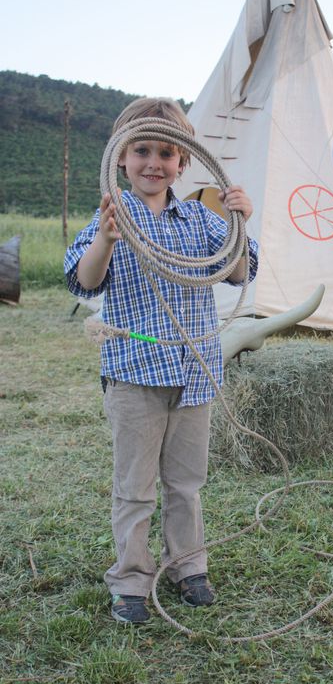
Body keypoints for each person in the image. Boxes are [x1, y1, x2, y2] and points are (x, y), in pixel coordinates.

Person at [64, 97, 258, 624]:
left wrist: (240, 220)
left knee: (187, 481)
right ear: (121, 157)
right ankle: (130, 578)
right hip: (134, 375)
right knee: (135, 485)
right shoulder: (110, 218)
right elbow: (85, 280)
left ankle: (188, 565)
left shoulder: (201, 217)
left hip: (194, 373)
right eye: (142, 150)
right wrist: (106, 239)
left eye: (167, 153)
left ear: (184, 161)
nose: (154, 162)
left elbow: (238, 274)